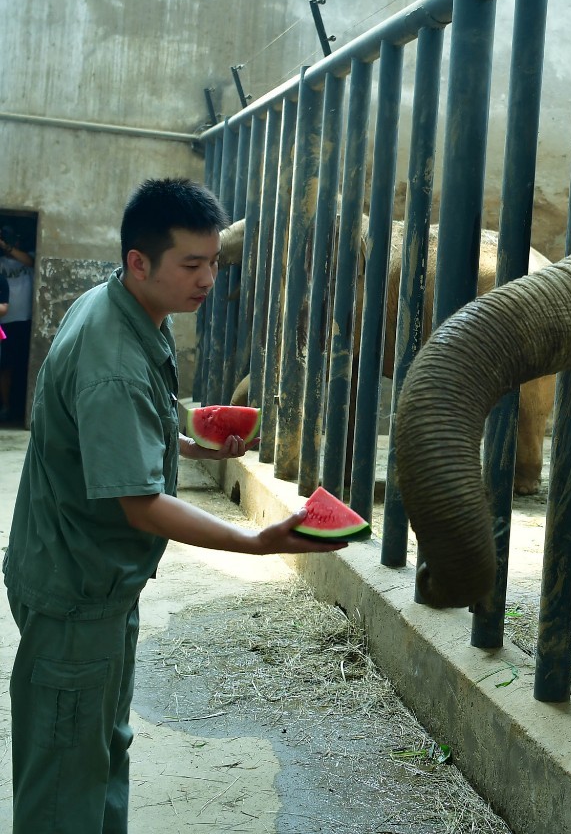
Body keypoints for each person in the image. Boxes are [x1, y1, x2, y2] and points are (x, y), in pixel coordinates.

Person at [3, 177, 345, 834]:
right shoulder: (114, 360)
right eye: (191, 264)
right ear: (140, 261)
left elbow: (134, 424)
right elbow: (140, 504)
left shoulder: (126, 310)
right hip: (75, 591)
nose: (208, 278)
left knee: (103, 750)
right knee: (64, 781)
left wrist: (195, 445)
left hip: (100, 583)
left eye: (215, 262)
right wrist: (255, 542)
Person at [0, 222, 34, 423]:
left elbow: (30, 261)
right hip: (5, 322)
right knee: (5, 367)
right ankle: (6, 407)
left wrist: (8, 246)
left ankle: (16, 408)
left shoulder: (26, 258)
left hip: (25, 321)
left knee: (21, 366)